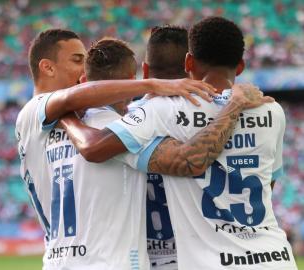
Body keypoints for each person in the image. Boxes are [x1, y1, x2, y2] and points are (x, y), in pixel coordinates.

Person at [61, 17, 298, 269]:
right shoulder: (272, 111)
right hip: (276, 257)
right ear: (240, 67)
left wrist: (62, 111)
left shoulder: (160, 110)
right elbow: (266, 183)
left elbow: (94, 147)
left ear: (189, 63)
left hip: (206, 260)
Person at [15, 28, 218, 269]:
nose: (82, 69)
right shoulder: (39, 112)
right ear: (47, 67)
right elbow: (74, 106)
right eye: (77, 60)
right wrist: (154, 85)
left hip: (59, 260)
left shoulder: (60, 123)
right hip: (111, 262)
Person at [141, 25, 190, 270]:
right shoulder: (219, 115)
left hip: (140, 256)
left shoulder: (122, 120)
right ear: (192, 65)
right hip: (200, 254)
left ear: (145, 70)